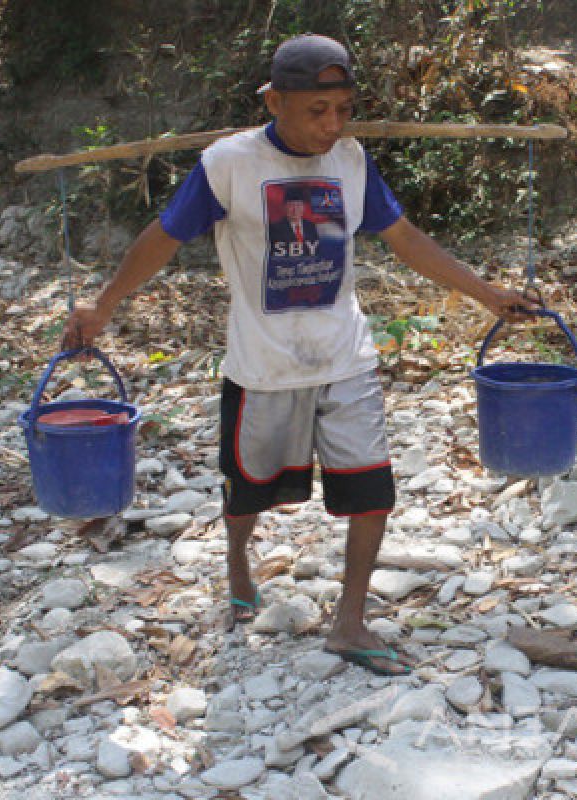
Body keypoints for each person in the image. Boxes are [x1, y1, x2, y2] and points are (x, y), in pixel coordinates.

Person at [63, 33, 535, 676]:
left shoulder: (350, 159)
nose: (332, 124)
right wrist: (103, 305)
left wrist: (486, 295)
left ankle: (350, 621)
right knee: (249, 490)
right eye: (317, 110)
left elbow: (402, 237)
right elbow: (164, 237)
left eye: (342, 109)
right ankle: (238, 561)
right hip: (264, 367)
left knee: (373, 492)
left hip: (346, 357)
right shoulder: (230, 163)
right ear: (274, 100)